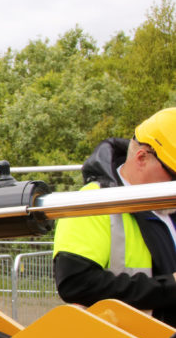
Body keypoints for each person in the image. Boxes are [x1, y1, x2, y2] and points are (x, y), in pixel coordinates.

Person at [53, 107, 176, 324]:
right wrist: (169, 287)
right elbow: (76, 283)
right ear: (142, 158)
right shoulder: (92, 202)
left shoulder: (167, 203)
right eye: (174, 175)